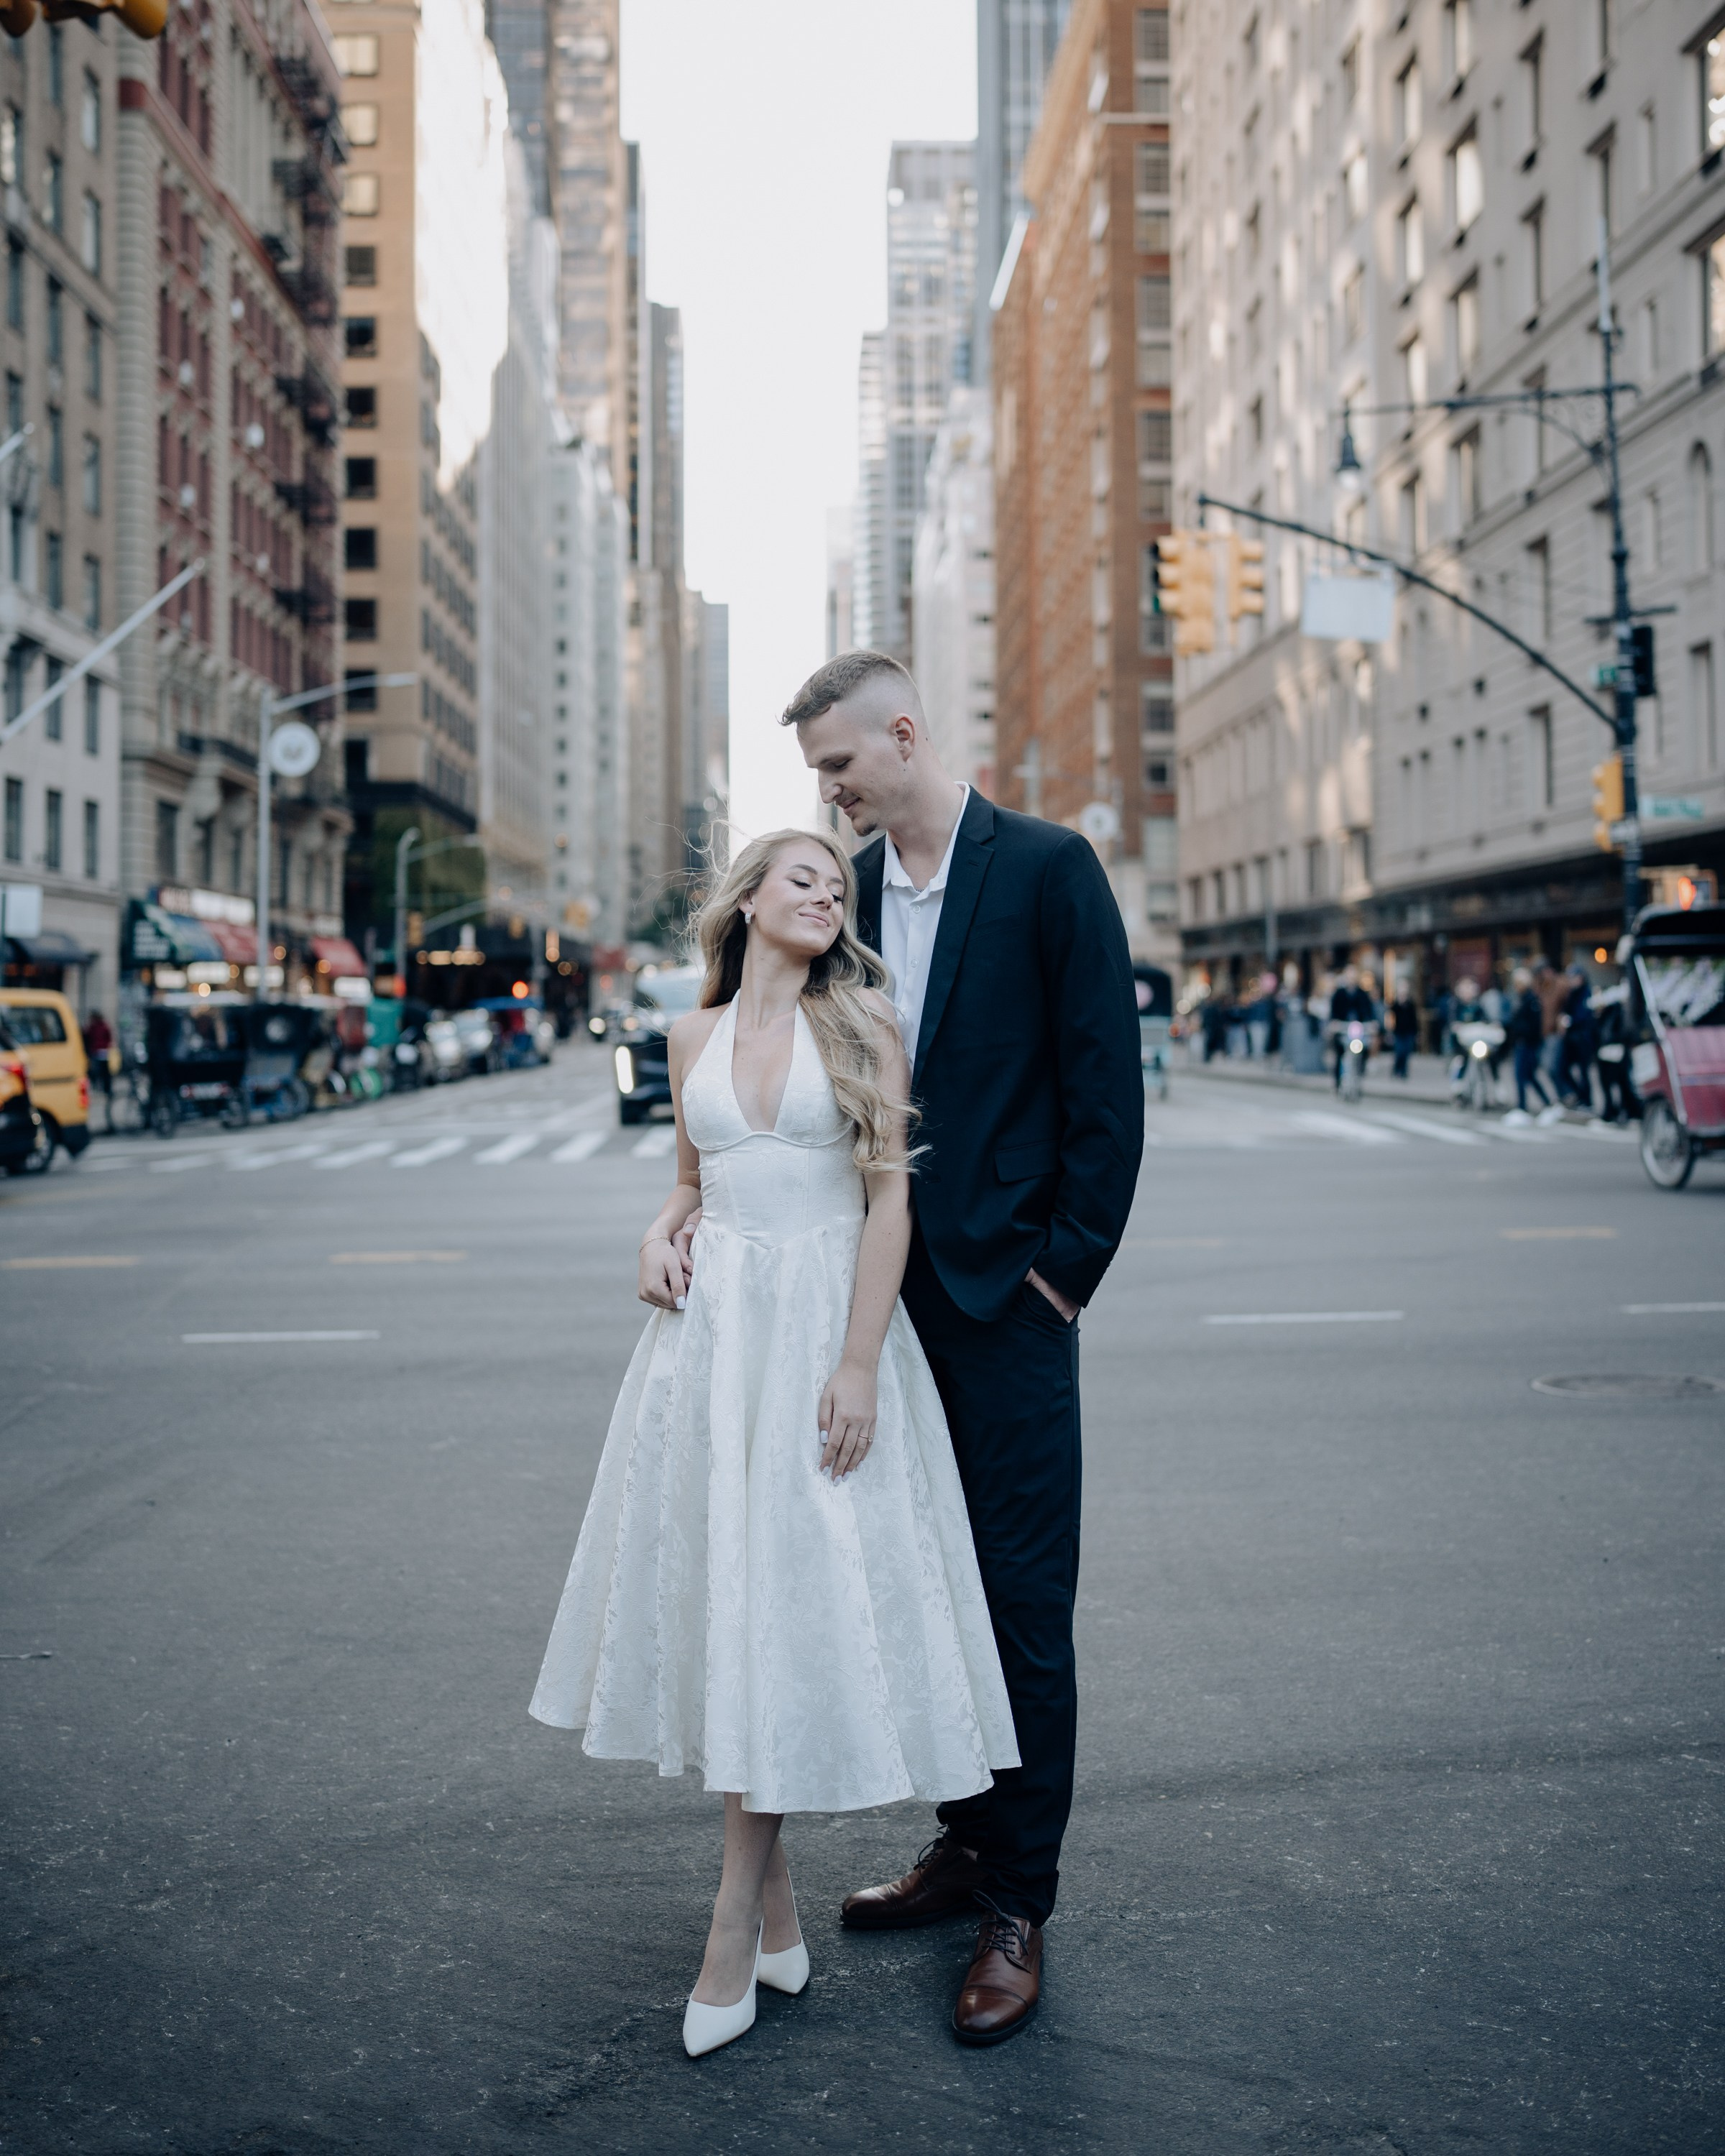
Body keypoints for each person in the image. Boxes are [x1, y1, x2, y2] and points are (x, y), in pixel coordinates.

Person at [530, 825, 1019, 2059]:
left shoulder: (864, 1023)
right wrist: (658, 1232)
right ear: (749, 899)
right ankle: (781, 1918)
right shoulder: (688, 1037)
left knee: (788, 1611)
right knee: (741, 1611)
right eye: (804, 876)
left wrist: (857, 1362)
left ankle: (734, 1924)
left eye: (839, 885)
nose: (826, 895)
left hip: (820, 1344)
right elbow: (694, 1180)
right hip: (712, 1355)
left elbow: (889, 1199)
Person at [788, 649, 1144, 2046]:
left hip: (1009, 1307)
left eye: (838, 766)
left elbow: (1104, 1087)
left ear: (905, 735)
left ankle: (1020, 1905)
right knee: (921, 1588)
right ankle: (963, 1838)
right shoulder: (850, 896)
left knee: (1019, 1600)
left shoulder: (1050, 870)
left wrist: (1065, 1279)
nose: (828, 793)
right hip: (882, 1308)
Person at [1504, 967, 1552, 1112]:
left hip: (1528, 1044)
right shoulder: (1522, 999)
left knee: (1523, 1076)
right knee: (1527, 1076)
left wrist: (1521, 1032)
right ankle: (1543, 1104)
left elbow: (1534, 1025)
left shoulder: (1531, 1000)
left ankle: (1524, 1107)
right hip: (1523, 1043)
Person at [1328, 964, 1374, 1089]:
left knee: (1362, 1050)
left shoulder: (1362, 994)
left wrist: (1371, 1023)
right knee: (1340, 1054)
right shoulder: (1339, 994)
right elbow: (1333, 1012)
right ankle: (1338, 1083)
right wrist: (1334, 1023)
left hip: (1358, 1031)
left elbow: (1368, 1012)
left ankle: (1360, 1075)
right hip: (1342, 1030)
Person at [1387, 982, 1421, 1079]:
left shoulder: (1411, 1004)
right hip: (1399, 1031)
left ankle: (1404, 1071)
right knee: (1399, 1051)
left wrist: (1416, 1033)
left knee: (1407, 1052)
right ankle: (1397, 1069)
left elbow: (1414, 1019)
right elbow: (1391, 1011)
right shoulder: (1397, 1003)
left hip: (1409, 1031)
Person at [82, 1009, 113, 1095]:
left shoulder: (100, 1027)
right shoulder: (94, 1027)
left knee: (102, 1071)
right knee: (98, 1071)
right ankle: (102, 1087)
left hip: (100, 1051)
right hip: (97, 1051)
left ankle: (105, 1088)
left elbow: (108, 1038)